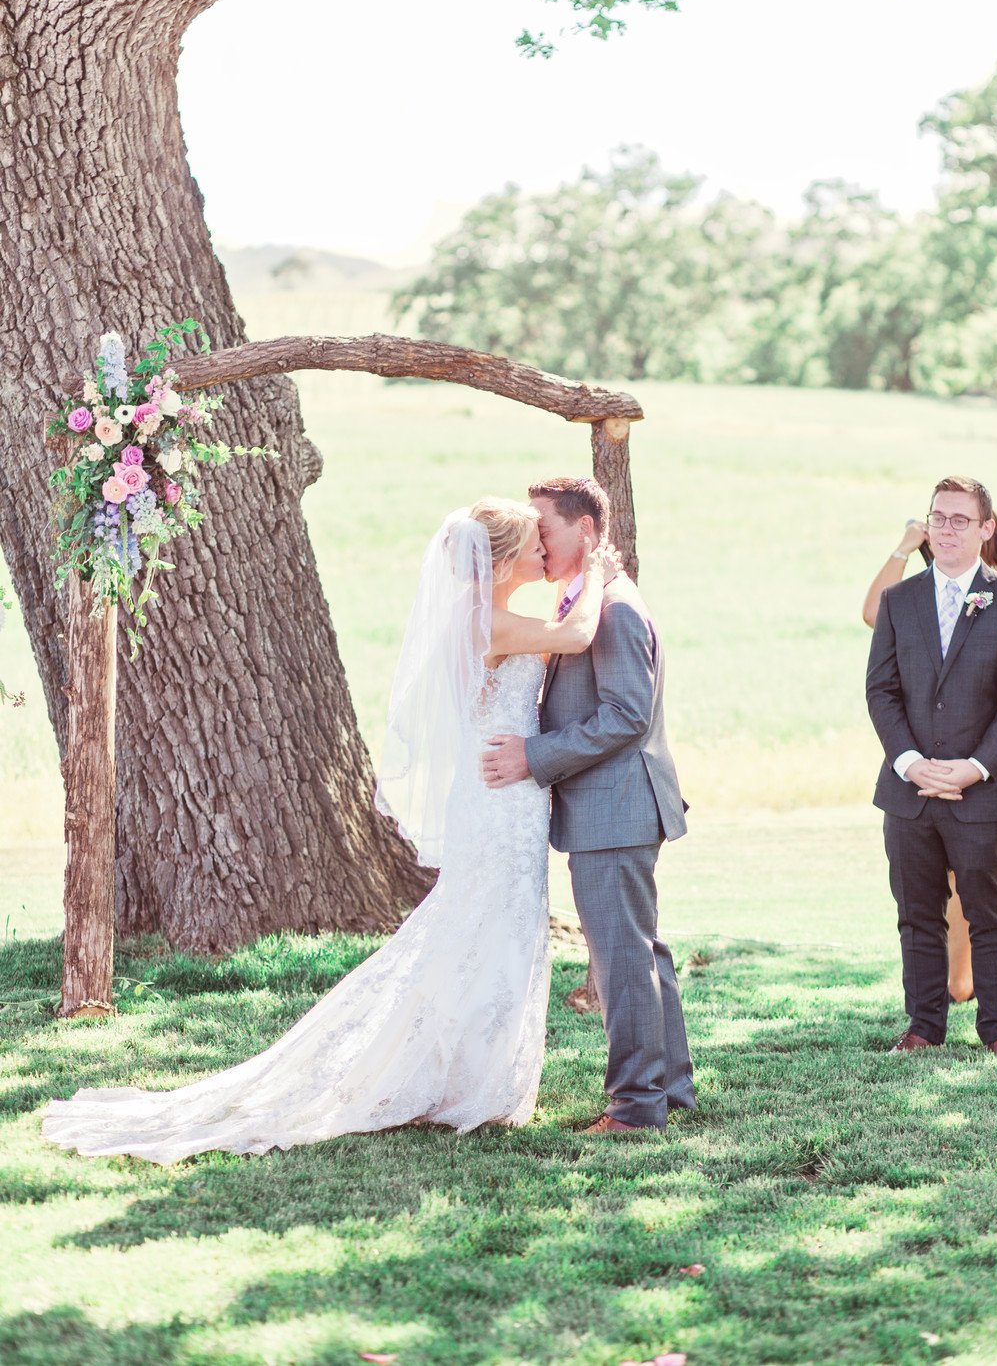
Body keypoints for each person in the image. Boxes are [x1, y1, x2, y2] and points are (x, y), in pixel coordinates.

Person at [42, 497, 619, 1162]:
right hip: (496, 803)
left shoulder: (498, 616)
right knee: (488, 929)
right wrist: (603, 568)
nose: (545, 552)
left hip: (505, 797)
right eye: (534, 544)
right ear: (504, 559)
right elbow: (576, 636)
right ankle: (466, 1084)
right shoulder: (489, 621)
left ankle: (470, 1077)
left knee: (497, 931)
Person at [482, 475, 695, 1134]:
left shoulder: (616, 609)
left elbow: (626, 716)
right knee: (641, 954)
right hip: (613, 807)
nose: (536, 539)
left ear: (588, 531)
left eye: (545, 525)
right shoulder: (584, 603)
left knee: (621, 961)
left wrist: (534, 756)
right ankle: (672, 1090)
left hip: (617, 807)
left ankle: (635, 1108)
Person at [866, 474, 997, 1057]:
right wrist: (911, 763)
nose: (946, 528)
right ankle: (922, 1027)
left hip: (983, 790)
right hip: (911, 791)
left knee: (991, 914)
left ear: (985, 529)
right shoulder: (899, 601)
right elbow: (882, 691)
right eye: (938, 517)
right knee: (917, 914)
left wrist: (975, 767)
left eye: (960, 519)